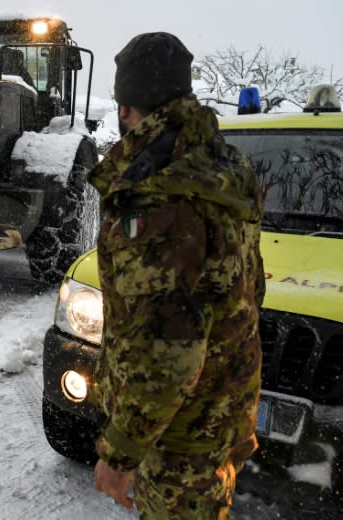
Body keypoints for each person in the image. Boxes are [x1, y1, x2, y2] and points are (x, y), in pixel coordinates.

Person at [87, 32, 265, 519]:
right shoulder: (220, 167)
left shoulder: (160, 195)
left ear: (127, 107)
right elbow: (247, 292)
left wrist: (120, 453)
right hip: (220, 414)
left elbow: (170, 351)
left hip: (179, 439)